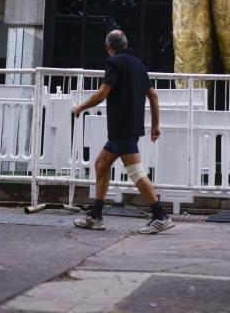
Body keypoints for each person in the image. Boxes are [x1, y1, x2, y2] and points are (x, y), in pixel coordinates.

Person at [73, 30, 174, 234]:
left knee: (136, 172)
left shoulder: (114, 63)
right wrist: (155, 125)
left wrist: (81, 107)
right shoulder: (138, 64)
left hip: (121, 126)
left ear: (108, 47)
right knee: (101, 165)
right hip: (130, 127)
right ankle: (96, 216)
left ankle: (161, 216)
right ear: (126, 44)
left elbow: (103, 93)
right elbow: (153, 96)